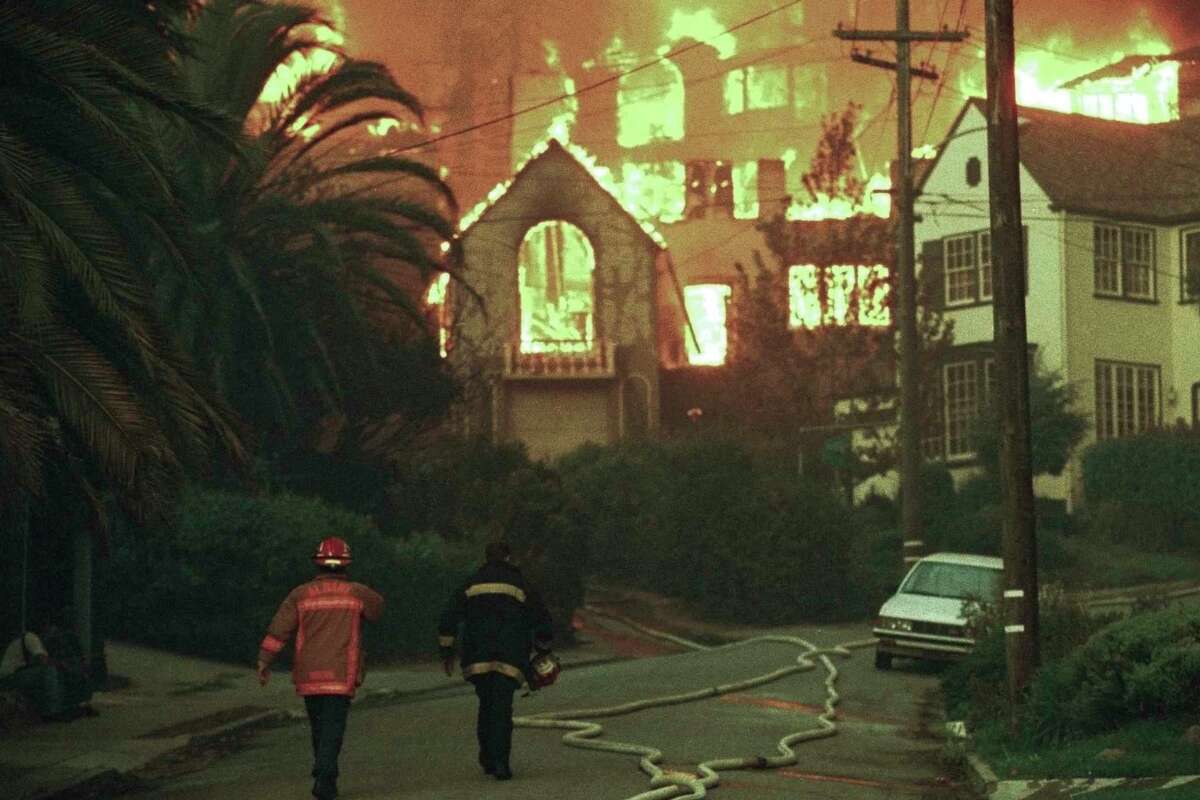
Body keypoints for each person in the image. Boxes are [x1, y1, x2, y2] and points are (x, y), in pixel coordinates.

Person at [257, 537, 383, 800]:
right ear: (346, 564)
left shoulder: (299, 595)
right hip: (340, 674)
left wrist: (264, 660)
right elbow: (377, 610)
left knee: (318, 727)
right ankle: (325, 775)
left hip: (309, 674)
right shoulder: (357, 593)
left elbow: (280, 630)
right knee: (333, 727)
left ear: (317, 564)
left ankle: (323, 773)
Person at [439, 540, 553, 781]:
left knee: (486, 703)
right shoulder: (520, 584)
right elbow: (541, 617)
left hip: (477, 657)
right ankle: (500, 762)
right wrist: (543, 650)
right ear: (509, 558)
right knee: (502, 707)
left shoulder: (472, 583)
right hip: (510, 657)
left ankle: (487, 758)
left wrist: (446, 651)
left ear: (486, 558)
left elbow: (449, 616)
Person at [0, 616, 94, 722]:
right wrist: (64, 666)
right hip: (9, 678)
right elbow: (43, 661)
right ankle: (51, 711)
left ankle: (65, 707)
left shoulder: (30, 639)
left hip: (16, 675)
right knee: (50, 671)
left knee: (54, 672)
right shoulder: (31, 637)